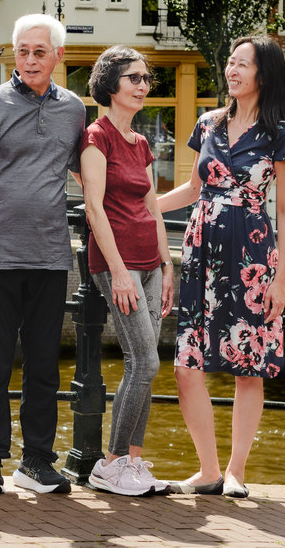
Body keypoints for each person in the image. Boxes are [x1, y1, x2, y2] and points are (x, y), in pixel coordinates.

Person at [157, 35, 285, 499]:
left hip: (253, 256)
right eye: (231, 63)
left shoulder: (281, 133)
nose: (232, 70)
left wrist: (280, 280)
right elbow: (195, 188)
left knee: (248, 365)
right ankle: (208, 470)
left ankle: (237, 471)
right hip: (201, 254)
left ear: (264, 74)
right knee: (186, 365)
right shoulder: (209, 123)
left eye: (243, 64)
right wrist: (146, 208)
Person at [0, 12, 85, 495]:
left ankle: (36, 461)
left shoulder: (74, 110)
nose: (30, 60)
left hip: (50, 255)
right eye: (23, 51)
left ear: (58, 56)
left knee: (46, 365)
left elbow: (84, 172)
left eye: (39, 51)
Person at [79, 46, 175, 496]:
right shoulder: (96, 138)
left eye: (145, 79)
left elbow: (152, 206)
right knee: (146, 361)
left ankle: (134, 463)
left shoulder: (140, 143)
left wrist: (168, 262)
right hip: (118, 264)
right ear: (110, 84)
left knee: (147, 367)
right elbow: (94, 209)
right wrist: (117, 271)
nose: (142, 86)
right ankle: (110, 463)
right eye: (133, 78)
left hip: (151, 263)